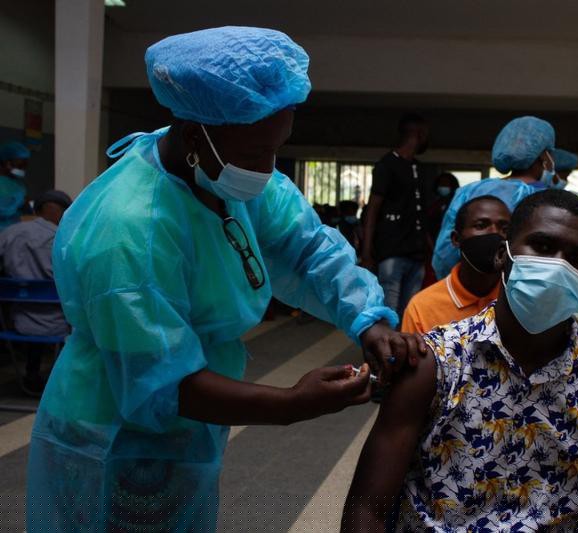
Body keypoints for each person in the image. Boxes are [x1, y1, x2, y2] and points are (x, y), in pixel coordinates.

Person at [26, 27, 427, 533]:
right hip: (110, 435)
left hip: (186, 428)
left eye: (277, 148)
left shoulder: (225, 168)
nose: (268, 169)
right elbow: (160, 383)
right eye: (259, 153)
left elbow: (307, 249)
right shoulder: (129, 231)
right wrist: (287, 405)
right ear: (196, 133)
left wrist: (367, 319)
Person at [342, 189, 578, 532]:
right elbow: (368, 509)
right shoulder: (433, 361)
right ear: (502, 255)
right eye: (541, 246)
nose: (558, 266)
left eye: (577, 258)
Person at [432, 116, 578, 313]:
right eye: (551, 154)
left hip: (468, 307)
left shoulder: (470, 192)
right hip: (533, 314)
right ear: (545, 157)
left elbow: (444, 256)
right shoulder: (557, 205)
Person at [402, 195, 510, 334]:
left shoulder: (519, 299)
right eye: (481, 225)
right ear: (456, 239)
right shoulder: (422, 308)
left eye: (505, 229)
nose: (495, 233)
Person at [0, 190, 72, 392]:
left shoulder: (10, 233)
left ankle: (31, 373)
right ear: (65, 212)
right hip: (59, 326)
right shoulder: (64, 239)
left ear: (37, 209)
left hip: (17, 325)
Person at [362, 113, 430, 317]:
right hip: (392, 250)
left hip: (416, 254)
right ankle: (386, 349)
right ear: (419, 134)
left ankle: (403, 350)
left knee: (410, 312)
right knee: (390, 311)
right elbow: (373, 209)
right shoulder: (387, 164)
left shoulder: (417, 167)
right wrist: (367, 251)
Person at [0, 141, 30, 230]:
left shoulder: (18, 184)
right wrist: (19, 219)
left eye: (25, 165)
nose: (23, 169)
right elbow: (4, 211)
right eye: (20, 165)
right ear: (7, 163)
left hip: (15, 233)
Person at [426, 172, 460, 241]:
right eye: (441, 184)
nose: (443, 186)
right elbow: (428, 228)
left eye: (446, 184)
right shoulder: (434, 205)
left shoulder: (457, 205)